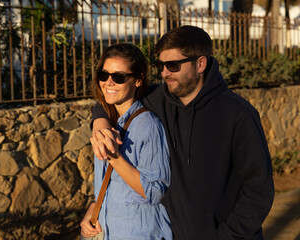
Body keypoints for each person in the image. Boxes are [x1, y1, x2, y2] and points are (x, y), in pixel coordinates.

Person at [91, 26, 274, 239]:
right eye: (161, 65)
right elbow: (112, 95)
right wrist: (100, 125)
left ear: (200, 64)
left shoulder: (238, 114)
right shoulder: (159, 98)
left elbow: (258, 190)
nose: (164, 73)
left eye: (173, 65)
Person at [80, 43, 172, 240]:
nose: (109, 82)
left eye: (119, 77)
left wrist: (114, 157)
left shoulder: (148, 125)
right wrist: (95, 207)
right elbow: (112, 185)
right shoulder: (107, 124)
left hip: (140, 233)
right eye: (104, 75)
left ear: (138, 81)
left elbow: (155, 192)